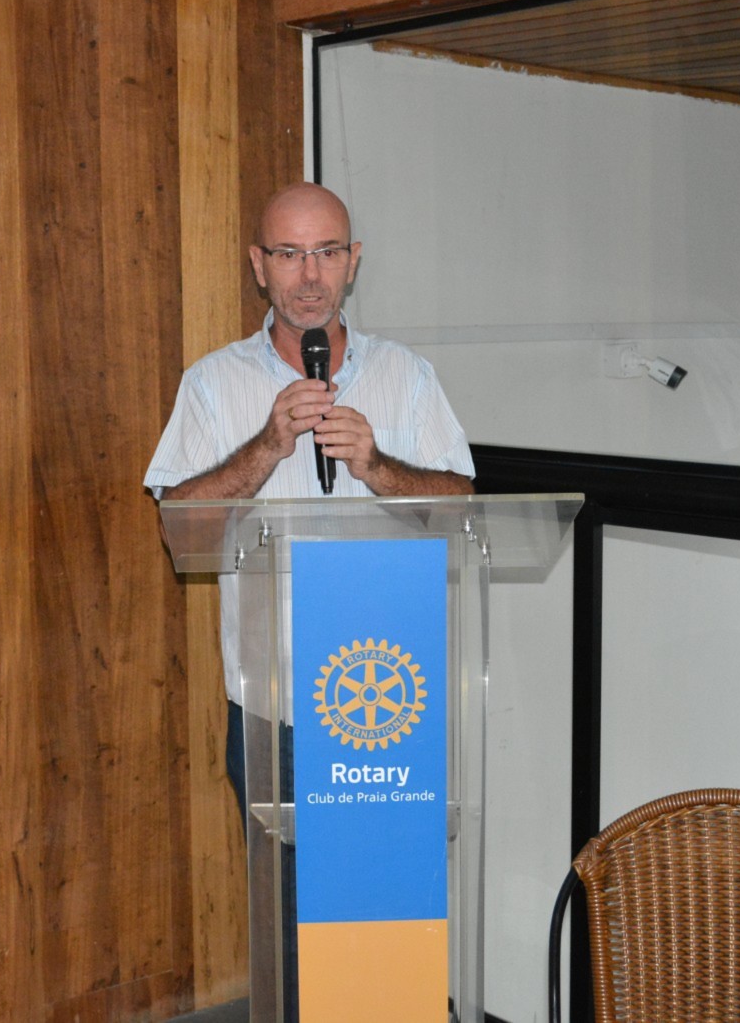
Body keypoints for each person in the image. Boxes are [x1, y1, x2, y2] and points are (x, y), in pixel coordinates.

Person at [143, 181, 474, 1018]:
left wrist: (379, 467)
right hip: (277, 708)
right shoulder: (213, 383)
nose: (310, 274)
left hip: (388, 699)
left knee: (385, 923)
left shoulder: (407, 377)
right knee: (294, 933)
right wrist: (267, 445)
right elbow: (181, 531)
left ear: (354, 261)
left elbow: (462, 509)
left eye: (327, 251)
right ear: (259, 266)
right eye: (289, 254)